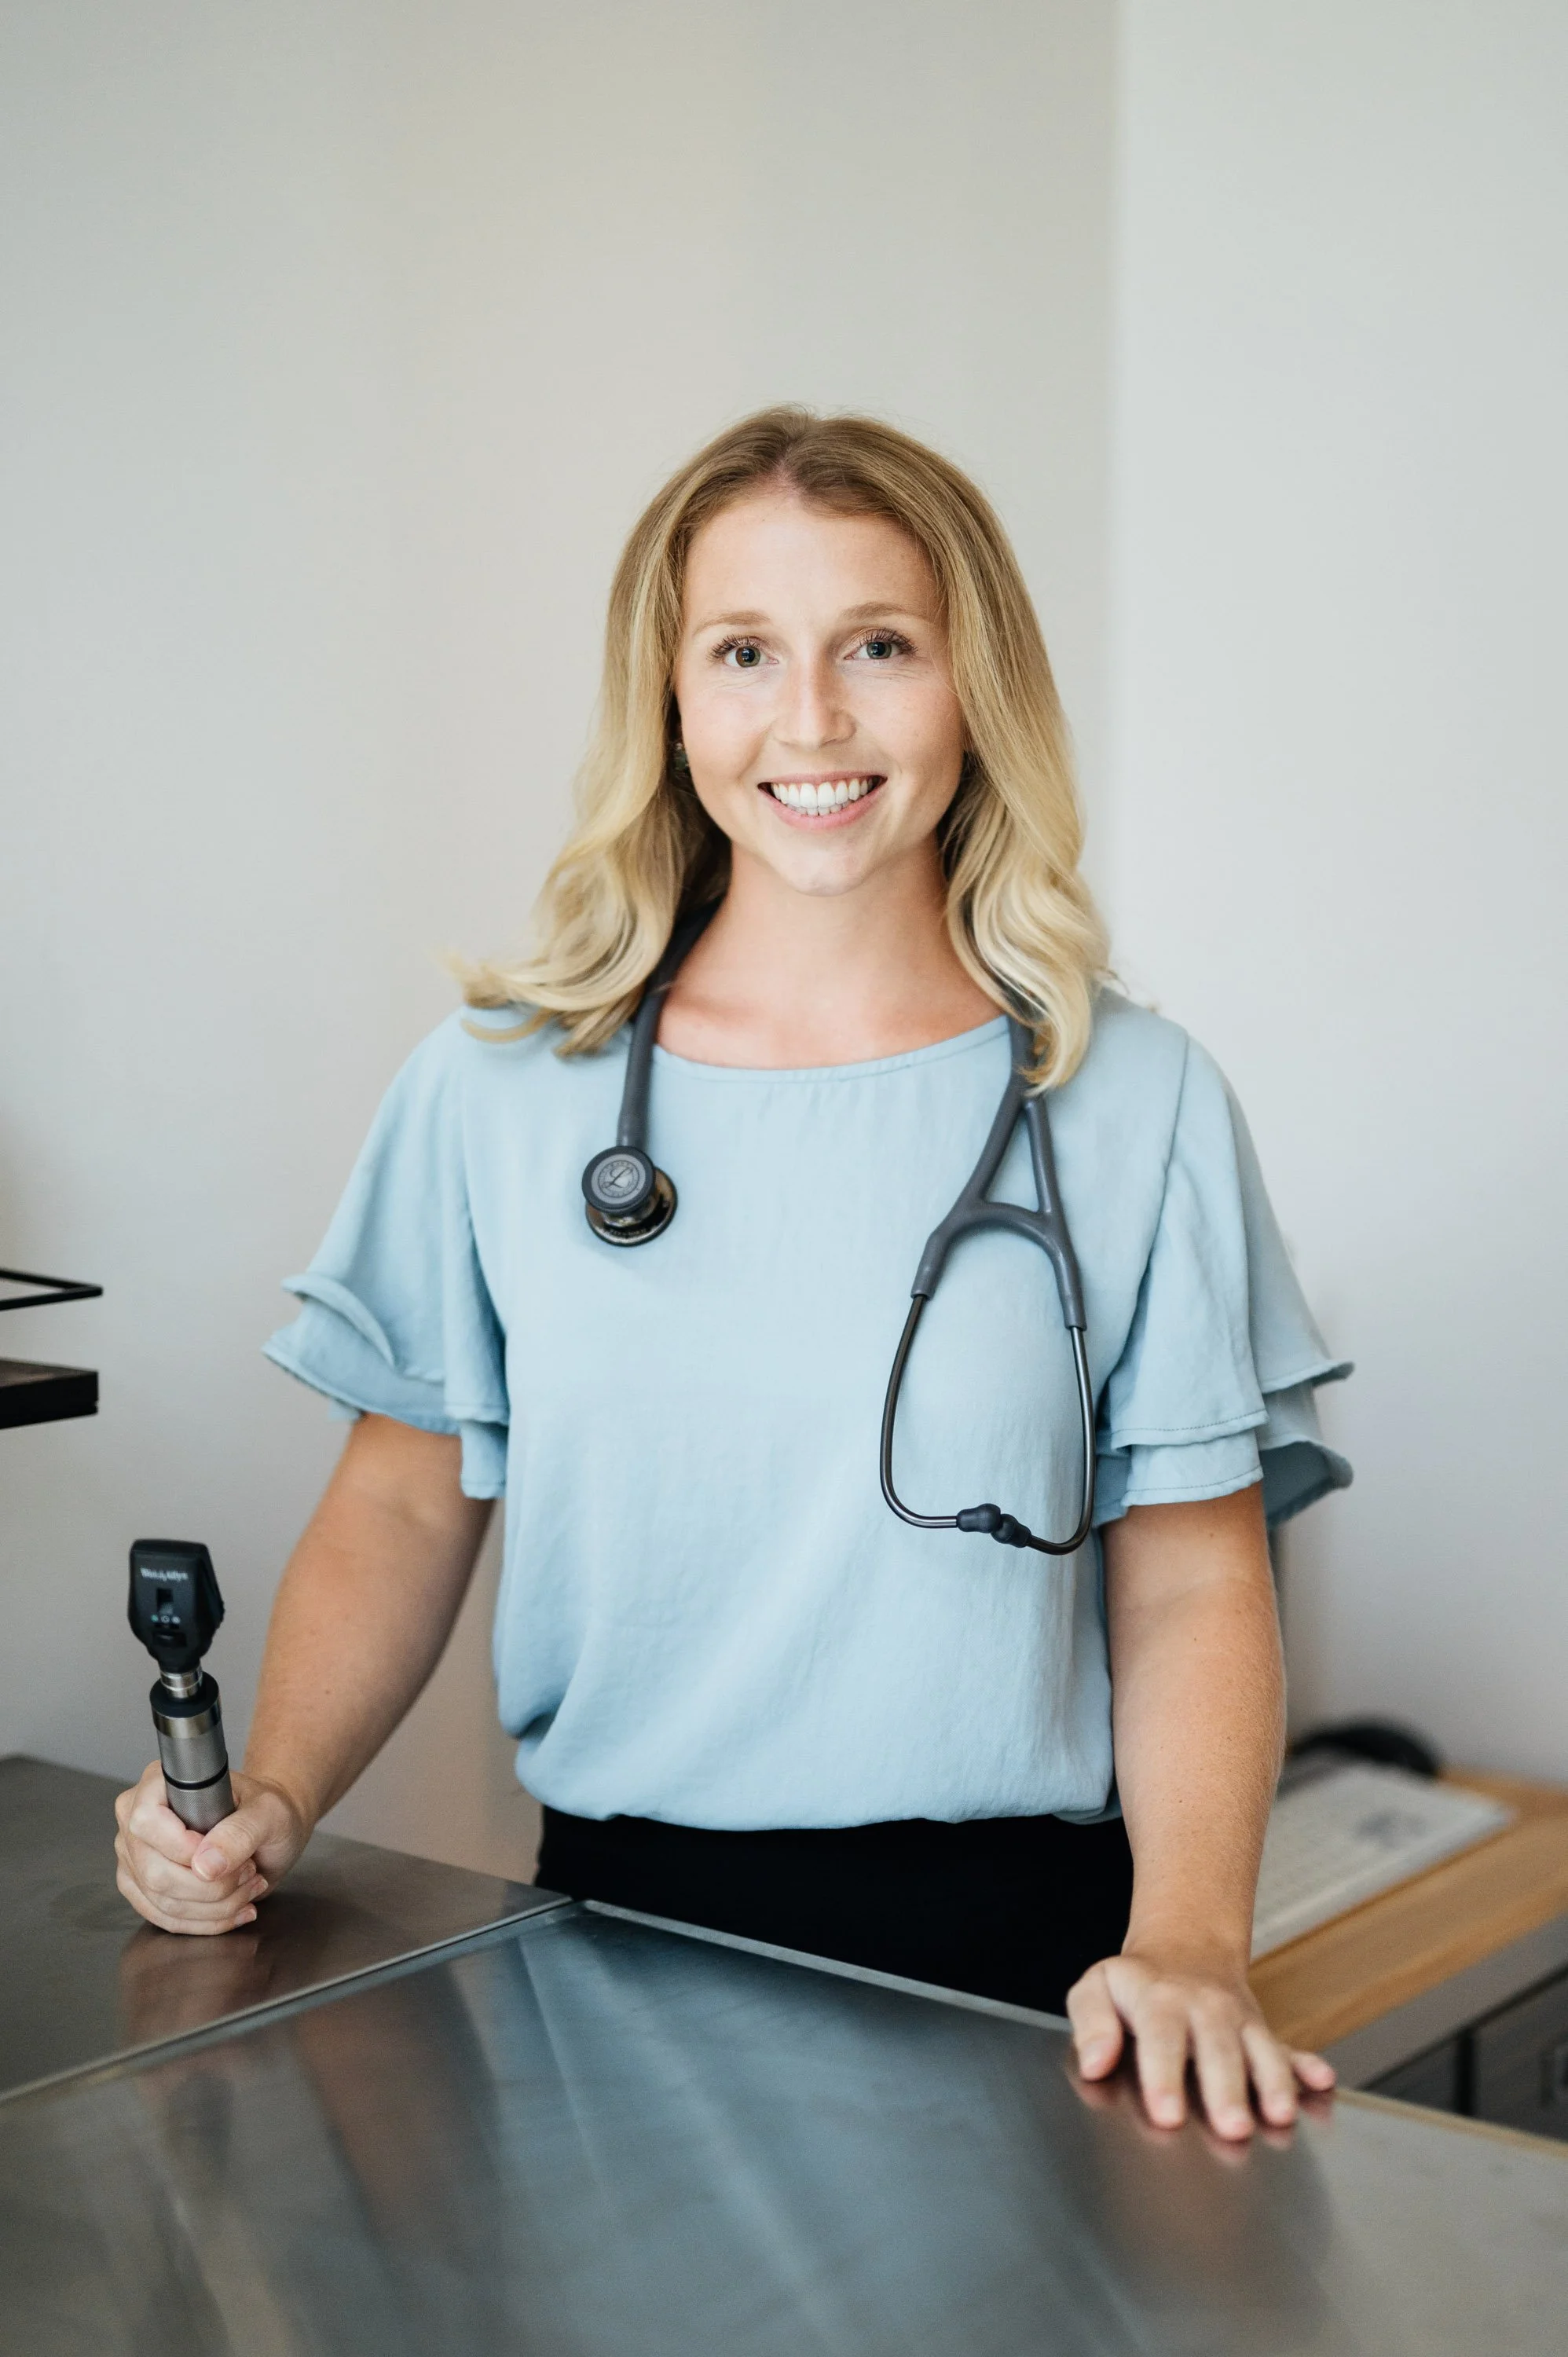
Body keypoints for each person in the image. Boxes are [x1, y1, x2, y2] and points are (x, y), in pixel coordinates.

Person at [115, 407, 1350, 2141]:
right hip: (611, 1954)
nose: (813, 720)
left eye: (880, 647)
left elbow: (1192, 1582)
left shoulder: (1128, 1097)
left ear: (970, 684)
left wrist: (1191, 1946)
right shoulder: (498, 1086)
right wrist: (268, 1799)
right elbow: (400, 1506)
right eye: (747, 652)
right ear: (672, 697)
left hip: (1024, 1982)